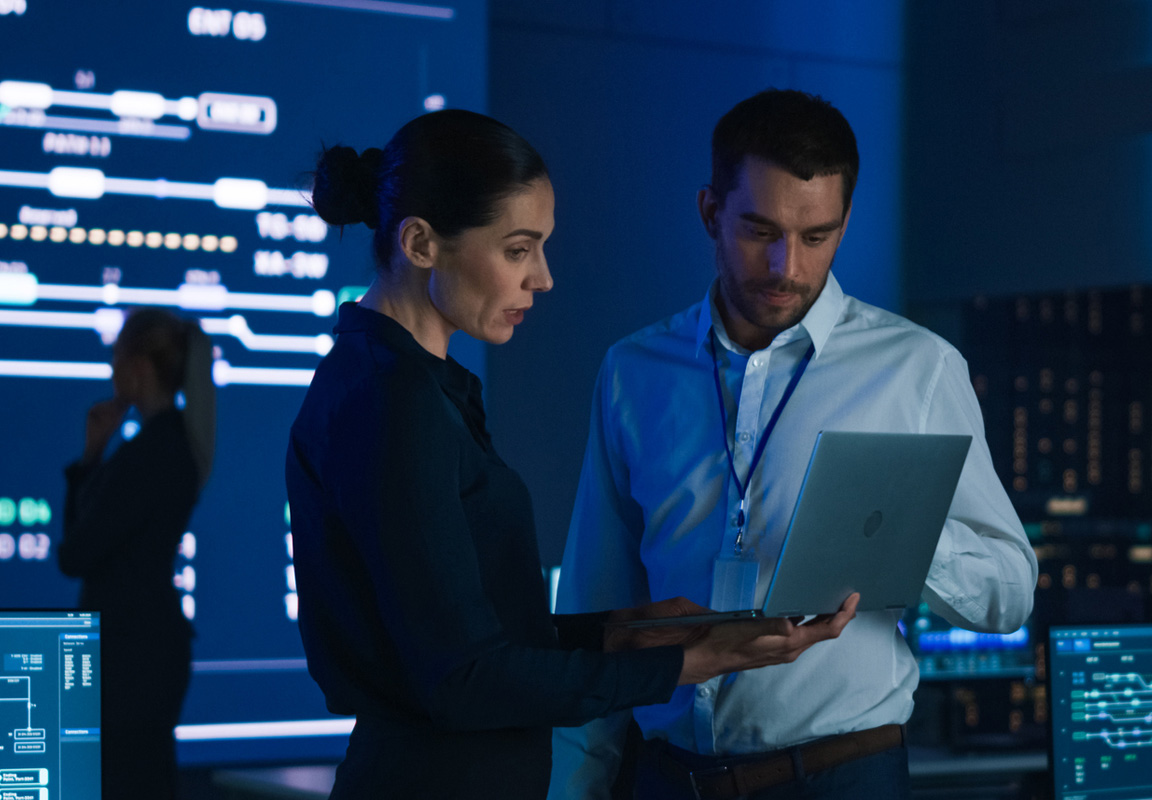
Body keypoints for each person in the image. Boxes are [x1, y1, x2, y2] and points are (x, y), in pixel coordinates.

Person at [284, 109, 860, 800]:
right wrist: (682, 663)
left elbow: (458, 639)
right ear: (419, 243)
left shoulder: (403, 385)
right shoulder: (391, 401)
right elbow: (462, 678)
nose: (544, 278)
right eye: (518, 250)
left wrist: (621, 634)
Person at [549, 89, 1039, 800]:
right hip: (663, 779)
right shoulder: (633, 370)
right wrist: (574, 789)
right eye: (759, 230)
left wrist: (898, 529)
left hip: (844, 777)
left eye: (817, 237)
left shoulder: (919, 369)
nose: (786, 266)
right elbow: (599, 602)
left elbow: (1009, 596)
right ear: (710, 212)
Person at [59, 307, 215, 800]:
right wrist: (93, 455)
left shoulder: (152, 452)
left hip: (130, 656)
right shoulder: (173, 444)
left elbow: (75, 554)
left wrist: (90, 462)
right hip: (145, 650)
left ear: (139, 366)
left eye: (115, 358)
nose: (110, 371)